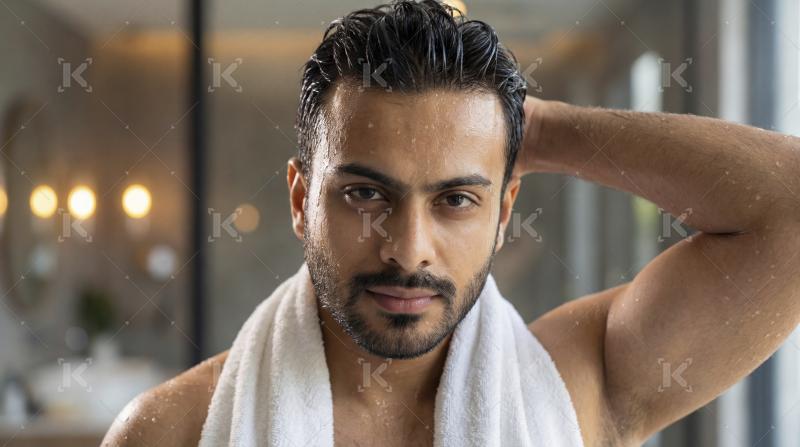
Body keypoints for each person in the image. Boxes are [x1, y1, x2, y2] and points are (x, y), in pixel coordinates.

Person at [102, 1, 800, 446]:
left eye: (455, 199)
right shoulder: (170, 432)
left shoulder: (585, 384)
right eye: (366, 195)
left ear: (503, 212)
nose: (408, 250)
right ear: (298, 200)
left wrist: (538, 125)